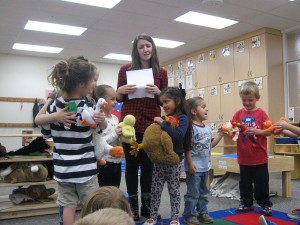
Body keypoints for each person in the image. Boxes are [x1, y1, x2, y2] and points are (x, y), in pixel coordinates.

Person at [40, 57, 106, 225]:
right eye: (93, 81)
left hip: (63, 169)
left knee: (68, 205)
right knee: (90, 205)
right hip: (85, 168)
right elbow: (100, 129)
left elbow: (47, 134)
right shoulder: (87, 108)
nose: (94, 85)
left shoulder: (54, 107)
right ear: (82, 84)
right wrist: (101, 119)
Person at [116, 34, 168, 220]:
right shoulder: (125, 70)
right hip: (130, 126)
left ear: (152, 48)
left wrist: (159, 93)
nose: (145, 49)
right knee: (131, 166)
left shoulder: (161, 72)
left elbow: (166, 102)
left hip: (150, 125)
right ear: (136, 51)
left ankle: (147, 208)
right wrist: (121, 90)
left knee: (148, 167)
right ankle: (133, 209)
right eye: (141, 47)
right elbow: (118, 97)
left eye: (148, 45)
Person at [143, 87, 191, 225]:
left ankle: (175, 218)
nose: (164, 105)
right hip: (159, 161)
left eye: (166, 101)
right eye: (162, 102)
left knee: (174, 190)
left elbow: (179, 136)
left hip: (174, 161)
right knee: (155, 189)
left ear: (177, 100)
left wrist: (163, 123)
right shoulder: (165, 118)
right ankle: (152, 216)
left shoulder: (183, 118)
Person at [232, 81, 273, 216]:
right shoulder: (238, 114)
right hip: (244, 157)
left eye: (250, 100)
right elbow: (233, 128)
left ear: (257, 98)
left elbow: (269, 131)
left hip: (259, 157)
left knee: (261, 182)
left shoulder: (261, 114)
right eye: (244, 100)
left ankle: (265, 204)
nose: (247, 103)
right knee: (244, 183)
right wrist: (233, 130)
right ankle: (246, 202)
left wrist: (258, 132)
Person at [183, 97, 224, 225]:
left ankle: (203, 212)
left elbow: (211, 145)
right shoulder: (191, 128)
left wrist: (220, 134)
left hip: (205, 167)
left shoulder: (206, 128)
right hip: (194, 167)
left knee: (204, 193)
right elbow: (187, 148)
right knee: (193, 193)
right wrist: (190, 163)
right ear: (194, 111)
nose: (207, 109)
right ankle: (190, 214)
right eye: (203, 106)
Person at [92, 84, 123, 187]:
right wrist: (115, 134)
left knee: (115, 189)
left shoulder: (115, 118)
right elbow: (99, 142)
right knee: (105, 191)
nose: (115, 102)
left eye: (115, 99)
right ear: (102, 101)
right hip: (105, 161)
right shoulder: (99, 119)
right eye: (112, 99)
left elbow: (117, 138)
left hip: (117, 160)